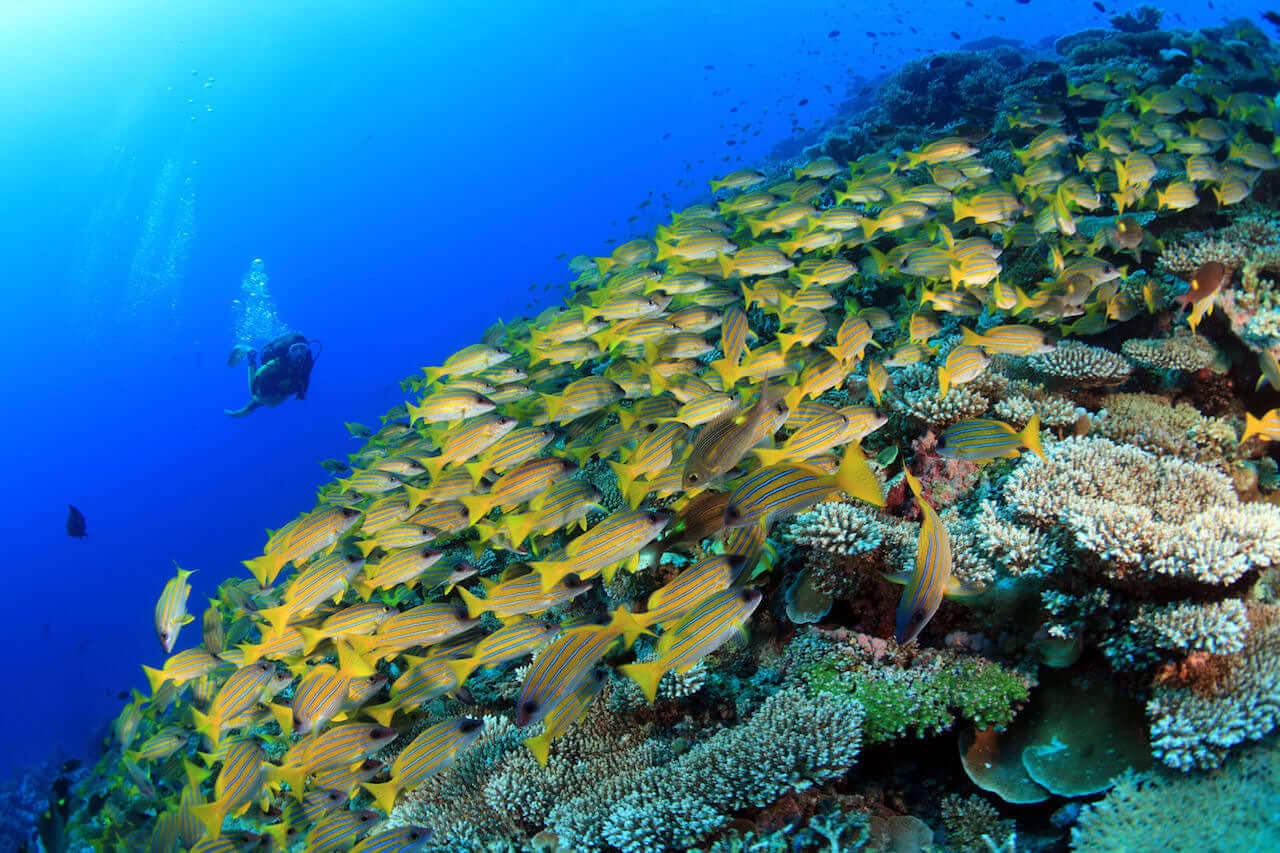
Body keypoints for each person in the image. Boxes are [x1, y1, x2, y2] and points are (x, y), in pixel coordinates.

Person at [226, 332, 319, 417]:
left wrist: (302, 393)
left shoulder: (306, 362)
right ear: (288, 351)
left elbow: (306, 375)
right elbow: (259, 374)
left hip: (282, 387)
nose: (299, 353)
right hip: (271, 384)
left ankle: (256, 402)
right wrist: (254, 395)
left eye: (302, 348)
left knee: (270, 402)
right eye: (294, 349)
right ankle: (251, 355)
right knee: (261, 399)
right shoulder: (277, 363)